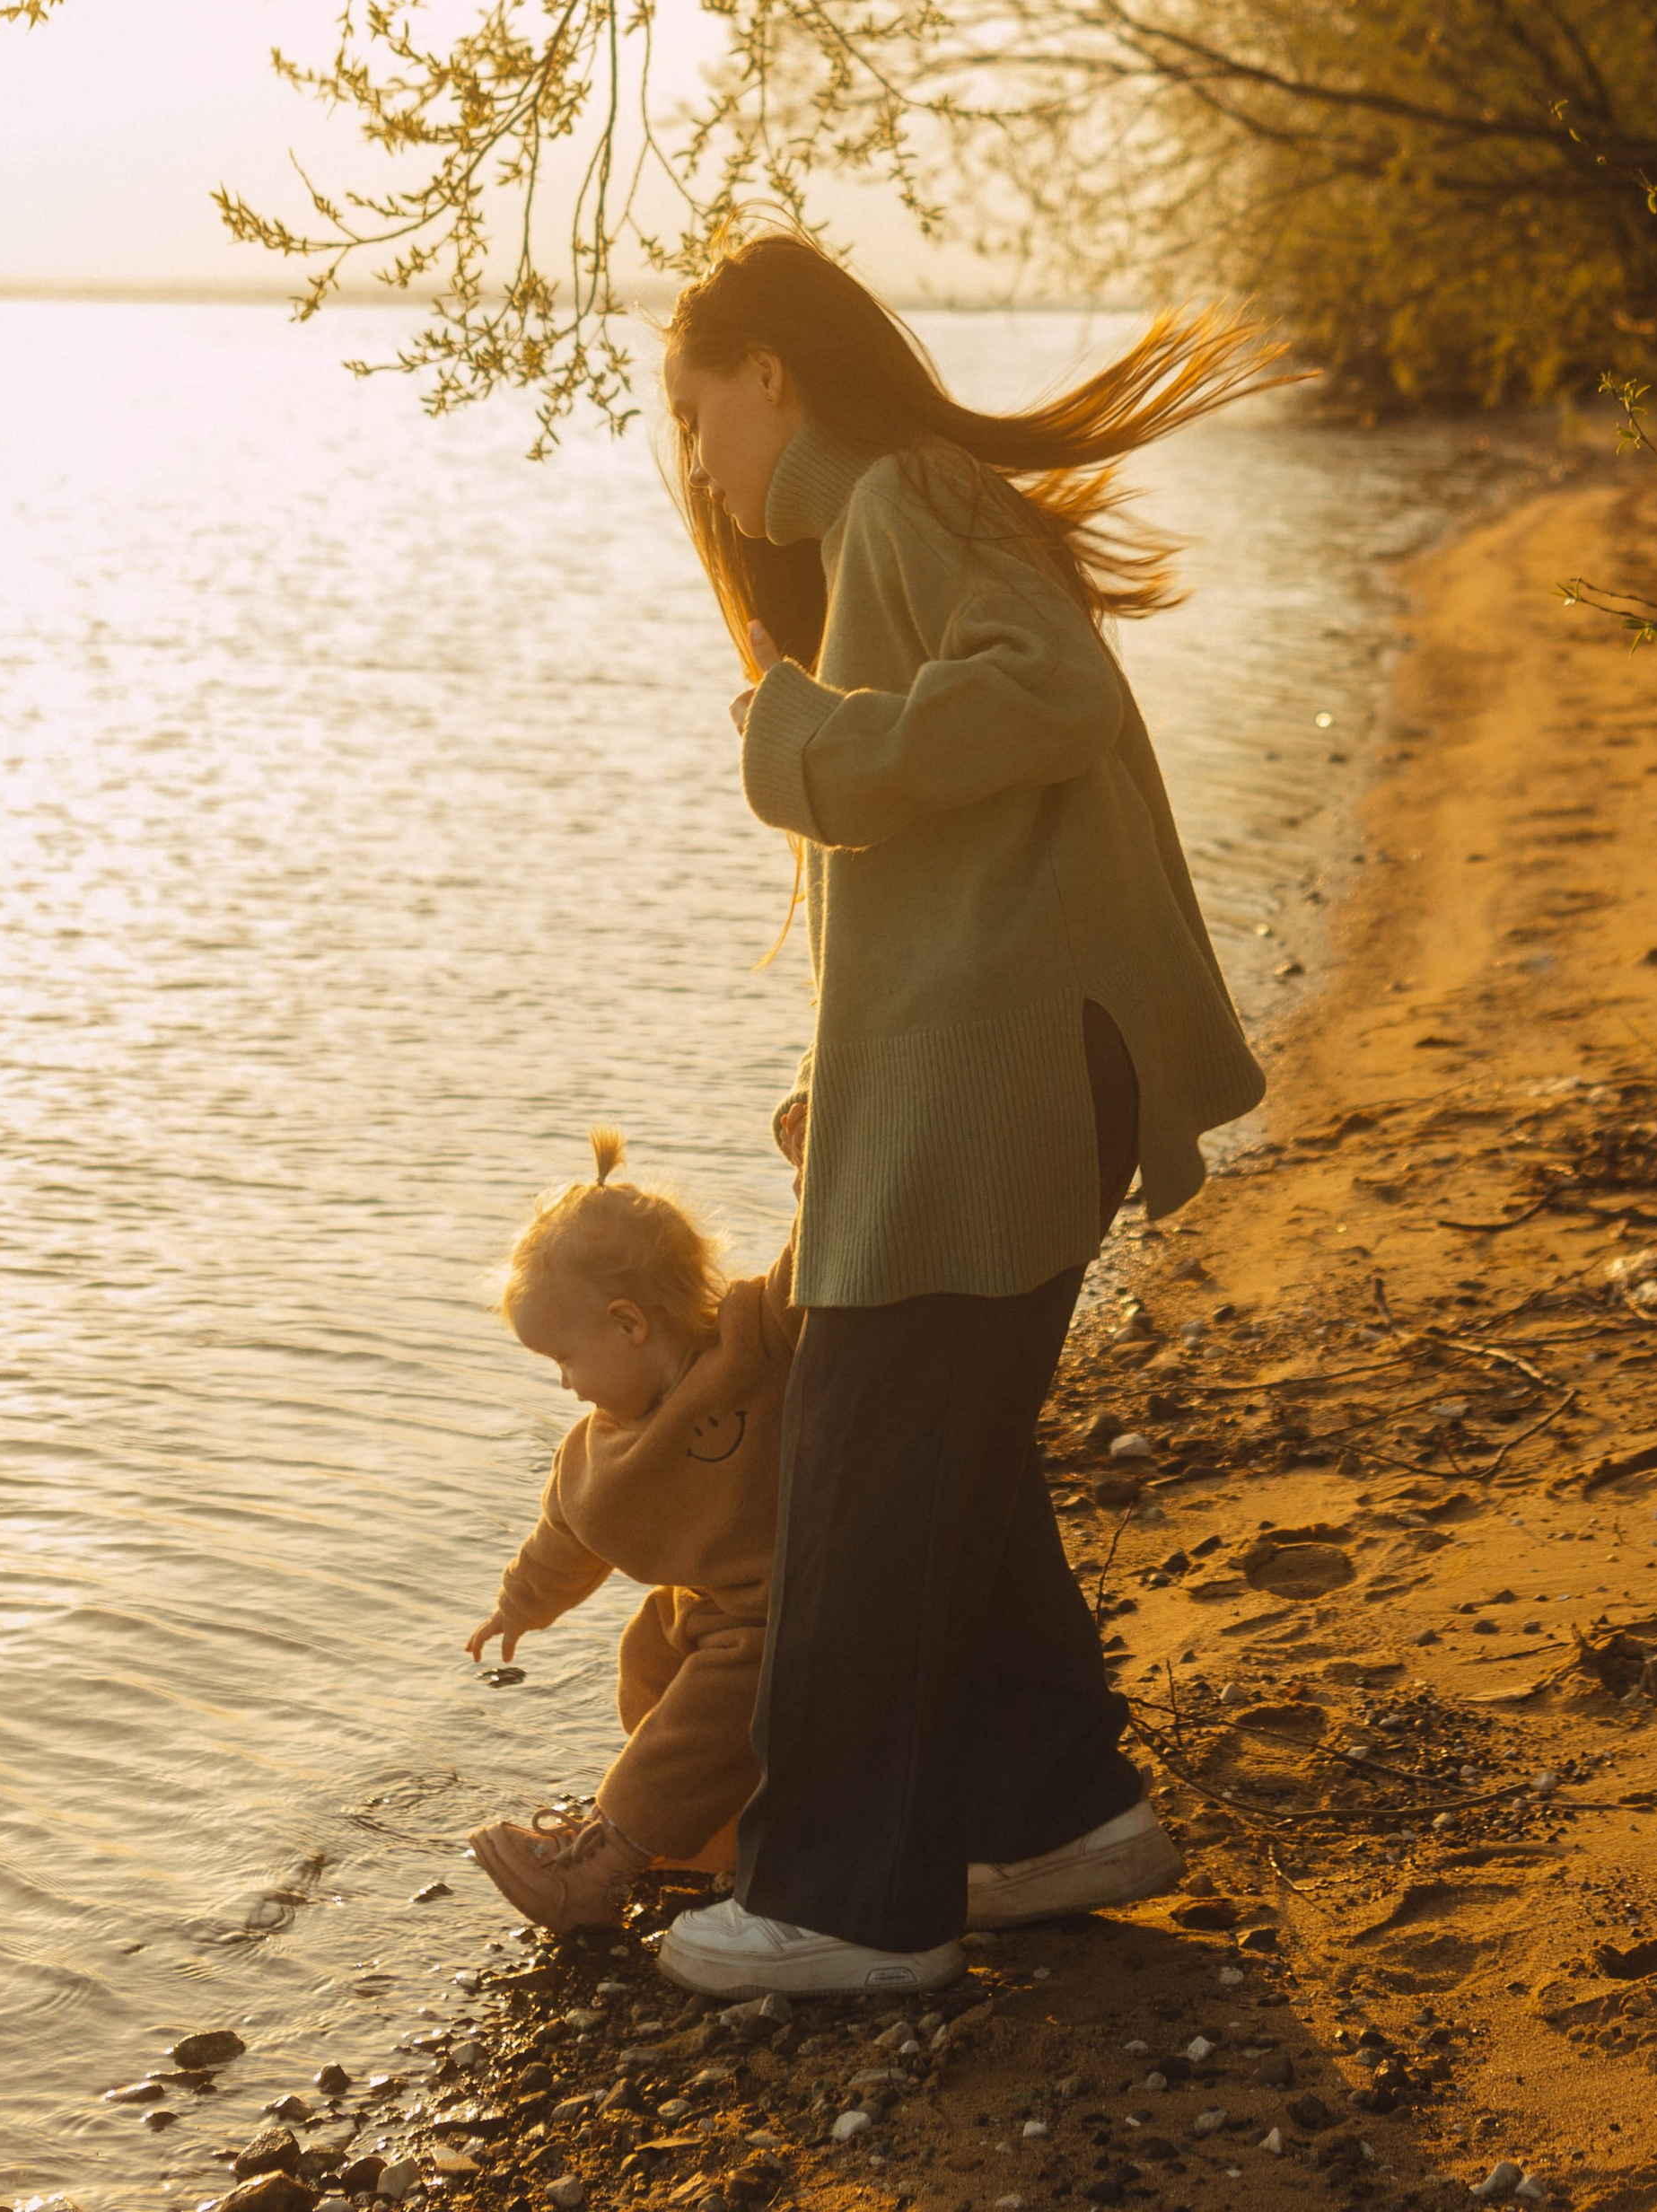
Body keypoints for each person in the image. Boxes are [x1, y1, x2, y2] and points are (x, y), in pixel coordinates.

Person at [653, 232, 1270, 1999]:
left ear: (771, 373)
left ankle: (852, 1901)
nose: (698, 460)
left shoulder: (903, 496)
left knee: (862, 1452)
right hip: (979, 1059)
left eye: (698, 413)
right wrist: (840, 1080)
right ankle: (1056, 1814)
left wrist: (807, 749)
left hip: (1006, 1066)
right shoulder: (893, 517)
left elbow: (1046, 697)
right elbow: (958, 865)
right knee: (936, 1447)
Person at [464, 1128, 800, 1930]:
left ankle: (601, 1863)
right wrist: (519, 1605)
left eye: (565, 1360)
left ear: (628, 1323)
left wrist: (810, 1168)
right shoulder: (600, 1449)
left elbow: (813, 1262)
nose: (567, 1385)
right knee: (651, 1647)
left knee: (718, 1691)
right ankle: (704, 1839)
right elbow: (564, 1537)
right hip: (718, 1607)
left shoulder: (753, 1337)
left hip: (794, 1608)